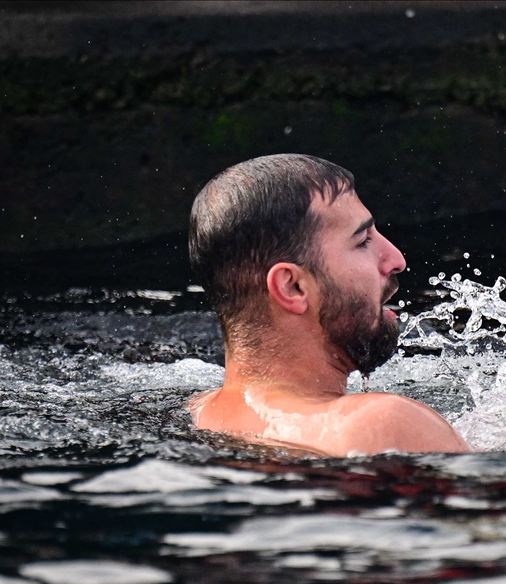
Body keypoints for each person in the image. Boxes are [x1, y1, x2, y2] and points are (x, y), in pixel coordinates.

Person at [186, 154, 471, 456]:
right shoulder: (384, 424)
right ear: (292, 287)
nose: (396, 259)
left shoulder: (198, 412)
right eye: (362, 241)